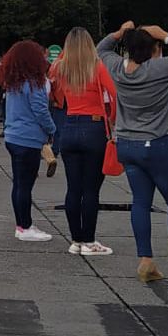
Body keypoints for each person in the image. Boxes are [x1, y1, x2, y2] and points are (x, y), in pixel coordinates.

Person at [99, 21, 168, 286]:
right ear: (153, 50)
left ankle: (146, 261)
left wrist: (118, 32)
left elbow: (101, 49)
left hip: (127, 142)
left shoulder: (117, 68)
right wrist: (166, 35)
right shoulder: (161, 68)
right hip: (157, 142)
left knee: (140, 201)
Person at [50, 28, 117, 256]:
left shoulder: (62, 68)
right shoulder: (97, 67)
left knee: (73, 188)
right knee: (91, 189)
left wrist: (65, 54)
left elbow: (51, 78)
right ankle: (89, 240)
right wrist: (113, 119)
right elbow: (115, 94)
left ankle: (76, 239)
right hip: (94, 126)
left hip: (69, 126)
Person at [0, 40, 58, 242]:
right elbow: (40, 111)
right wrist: (52, 129)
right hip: (29, 138)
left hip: (13, 136)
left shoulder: (14, 81)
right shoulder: (35, 83)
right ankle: (25, 226)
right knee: (25, 184)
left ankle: (22, 224)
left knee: (19, 184)